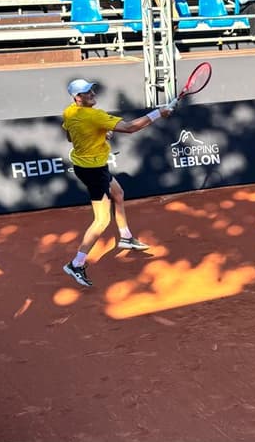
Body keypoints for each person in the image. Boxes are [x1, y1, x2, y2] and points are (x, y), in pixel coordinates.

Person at [61, 79, 173, 288]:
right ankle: (76, 264)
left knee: (118, 193)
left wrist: (100, 133)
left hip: (87, 166)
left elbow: (70, 137)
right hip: (94, 171)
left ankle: (125, 237)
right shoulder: (95, 116)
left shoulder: (69, 112)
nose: (93, 93)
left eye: (92, 89)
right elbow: (129, 128)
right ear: (78, 98)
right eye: (87, 92)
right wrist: (158, 113)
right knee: (101, 220)